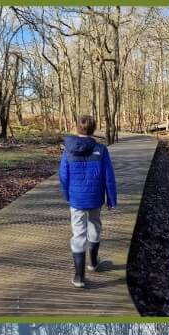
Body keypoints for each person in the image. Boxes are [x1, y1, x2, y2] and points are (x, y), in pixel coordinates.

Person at [59, 115, 117, 288]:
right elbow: (109, 176)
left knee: (78, 233)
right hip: (95, 197)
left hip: (77, 198)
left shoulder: (68, 149)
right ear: (93, 129)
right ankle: (93, 263)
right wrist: (111, 199)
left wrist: (67, 194)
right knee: (94, 225)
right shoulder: (101, 149)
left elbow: (63, 174)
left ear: (77, 128)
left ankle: (79, 276)